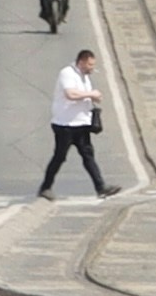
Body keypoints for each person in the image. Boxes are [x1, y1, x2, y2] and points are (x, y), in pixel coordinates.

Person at [39, 50, 108, 196]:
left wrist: (94, 98)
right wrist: (90, 94)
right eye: (90, 64)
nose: (92, 68)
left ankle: (101, 188)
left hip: (81, 124)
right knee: (59, 156)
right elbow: (70, 94)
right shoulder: (67, 73)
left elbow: (83, 95)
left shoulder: (85, 77)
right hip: (65, 124)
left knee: (88, 155)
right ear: (81, 62)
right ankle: (45, 187)